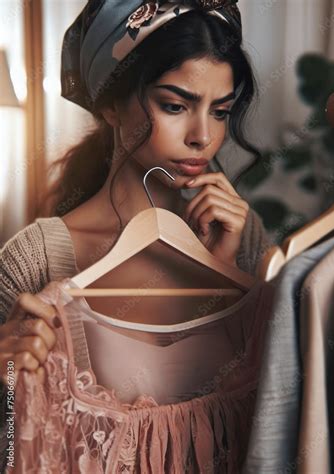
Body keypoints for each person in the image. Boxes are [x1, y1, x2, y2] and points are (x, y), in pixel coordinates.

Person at [0, 0, 270, 424]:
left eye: (220, 112)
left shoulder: (241, 232)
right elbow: (15, 440)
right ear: (110, 106)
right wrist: (8, 374)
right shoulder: (33, 260)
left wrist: (223, 271)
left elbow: (271, 415)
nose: (203, 136)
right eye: (175, 106)